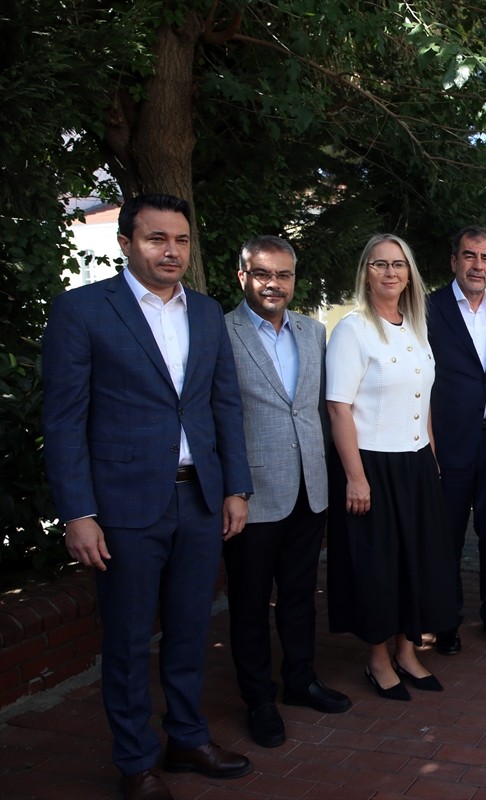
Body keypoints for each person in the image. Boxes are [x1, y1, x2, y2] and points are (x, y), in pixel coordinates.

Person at [42, 193, 254, 800]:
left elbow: (224, 407)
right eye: (158, 239)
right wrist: (78, 512)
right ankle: (136, 762)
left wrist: (236, 487)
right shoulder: (83, 311)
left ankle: (186, 738)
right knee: (130, 641)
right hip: (125, 508)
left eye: (181, 240)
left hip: (199, 501)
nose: (172, 251)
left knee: (190, 631)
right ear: (126, 243)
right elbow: (64, 422)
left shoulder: (208, 313)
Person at [223, 235, 350, 749]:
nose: (274, 284)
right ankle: (257, 698)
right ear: (243, 278)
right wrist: (232, 486)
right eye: (262, 274)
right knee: (251, 602)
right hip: (252, 493)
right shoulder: (220, 331)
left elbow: (319, 408)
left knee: (299, 596)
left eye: (284, 275)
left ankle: (300, 680)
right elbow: (220, 415)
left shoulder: (313, 331)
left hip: (308, 489)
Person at [326, 234, 457, 700]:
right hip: (373, 465)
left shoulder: (415, 326)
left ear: (410, 273)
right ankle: (378, 661)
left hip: (417, 462)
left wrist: (434, 458)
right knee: (378, 569)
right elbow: (338, 407)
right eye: (380, 264)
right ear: (366, 272)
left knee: (416, 563)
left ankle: (407, 653)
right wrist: (356, 477)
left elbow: (423, 401)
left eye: (398, 264)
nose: (390, 272)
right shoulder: (352, 329)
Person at [427, 225, 486, 652]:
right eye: (469, 256)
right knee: (447, 538)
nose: (477, 265)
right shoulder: (428, 309)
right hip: (448, 444)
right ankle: (446, 622)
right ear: (454, 261)